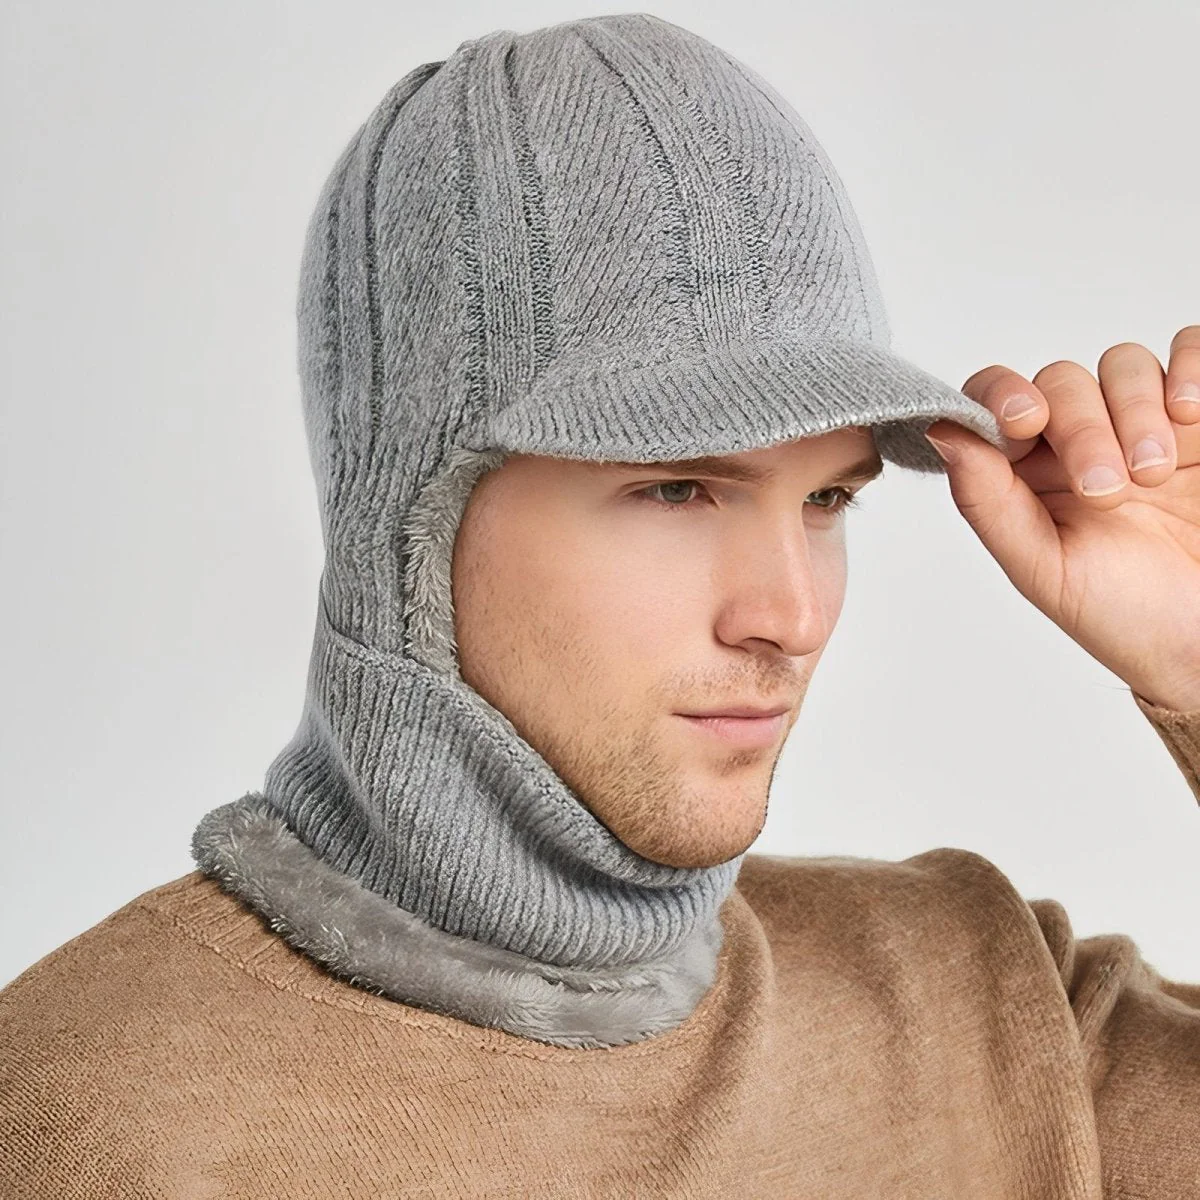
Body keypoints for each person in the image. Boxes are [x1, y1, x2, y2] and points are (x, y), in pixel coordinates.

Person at [3, 12, 1198, 1197]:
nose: (790, 616)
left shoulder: (990, 1005)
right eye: (677, 488)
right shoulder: (90, 1116)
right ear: (410, 521)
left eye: (828, 499)